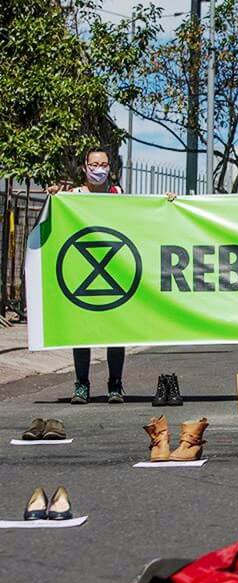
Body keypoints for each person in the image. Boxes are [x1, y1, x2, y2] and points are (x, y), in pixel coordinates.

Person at [47, 148, 127, 404]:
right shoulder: (73, 197)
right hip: (83, 269)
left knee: (117, 330)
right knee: (82, 330)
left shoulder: (119, 195)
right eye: (94, 163)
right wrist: (53, 197)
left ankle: (115, 384)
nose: (99, 168)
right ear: (84, 167)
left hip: (116, 269)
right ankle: (81, 384)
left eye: (103, 163)